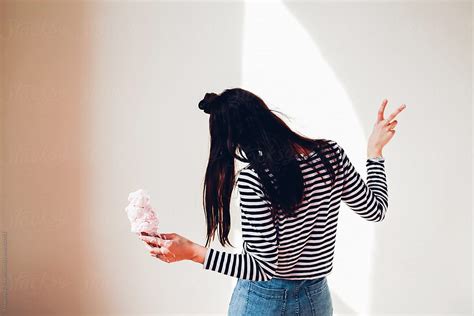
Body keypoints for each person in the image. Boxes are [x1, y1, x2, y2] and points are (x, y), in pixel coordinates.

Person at [140, 88, 406, 315]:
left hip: (262, 300)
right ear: (266, 117)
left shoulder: (254, 179)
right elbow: (375, 209)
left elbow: (261, 267)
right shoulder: (329, 155)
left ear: (232, 141)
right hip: (316, 298)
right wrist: (375, 152)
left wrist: (191, 252)